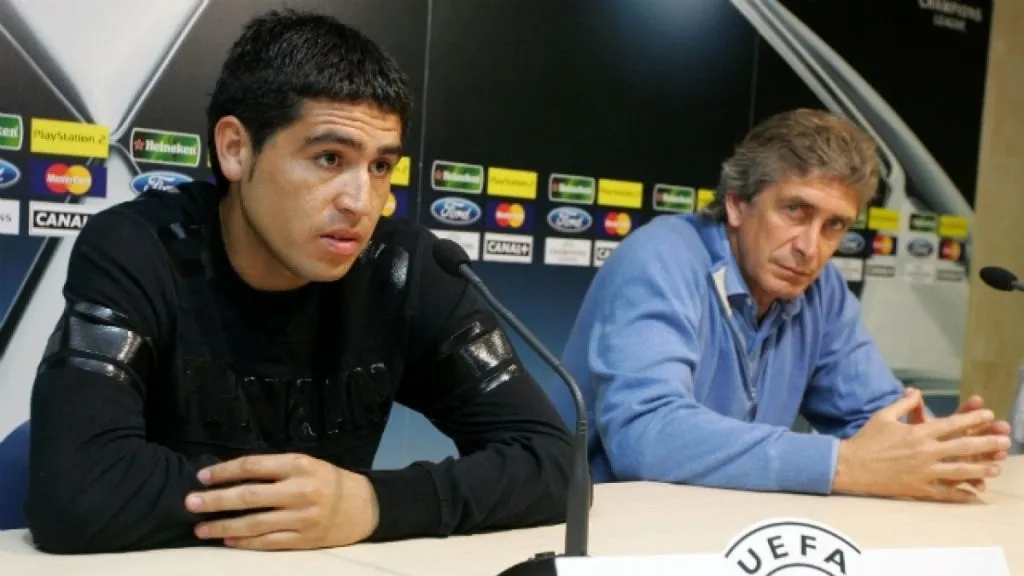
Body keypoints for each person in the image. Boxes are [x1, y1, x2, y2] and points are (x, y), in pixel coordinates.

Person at [25, 10, 572, 554]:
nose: (360, 202)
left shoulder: (406, 269)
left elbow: (555, 462)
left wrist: (372, 504)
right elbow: (76, 492)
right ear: (235, 148)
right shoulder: (140, 250)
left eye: (381, 167)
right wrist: (300, 507)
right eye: (329, 158)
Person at [556, 108, 1012, 503]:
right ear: (737, 204)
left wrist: (935, 448)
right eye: (795, 211)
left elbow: (870, 414)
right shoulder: (662, 257)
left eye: (834, 225)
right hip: (607, 526)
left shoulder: (821, 288)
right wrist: (841, 465)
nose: (810, 248)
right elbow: (646, 433)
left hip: (727, 527)